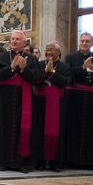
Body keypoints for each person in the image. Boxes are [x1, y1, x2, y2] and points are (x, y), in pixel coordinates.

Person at [0, 30, 42, 172]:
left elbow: (37, 77)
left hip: (24, 97)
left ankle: (23, 162)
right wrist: (11, 68)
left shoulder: (31, 58)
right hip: (5, 98)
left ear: (24, 43)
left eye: (17, 39)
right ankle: (4, 161)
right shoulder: (2, 56)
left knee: (23, 129)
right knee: (4, 127)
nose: (14, 41)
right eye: (12, 39)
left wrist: (24, 69)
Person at [63, 32, 93, 168]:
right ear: (79, 42)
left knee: (92, 128)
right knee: (74, 128)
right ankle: (73, 161)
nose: (84, 43)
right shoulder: (71, 57)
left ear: (92, 43)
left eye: (87, 41)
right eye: (82, 41)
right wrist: (82, 68)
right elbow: (67, 73)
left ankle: (90, 161)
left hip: (92, 99)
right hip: (75, 98)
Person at [33, 42, 72, 171]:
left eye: (52, 50)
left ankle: (56, 162)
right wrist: (45, 72)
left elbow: (66, 82)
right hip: (40, 103)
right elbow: (34, 79)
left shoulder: (65, 67)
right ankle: (40, 161)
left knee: (57, 132)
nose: (49, 52)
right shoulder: (39, 64)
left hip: (58, 104)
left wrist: (52, 73)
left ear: (59, 53)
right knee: (40, 131)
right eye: (47, 49)